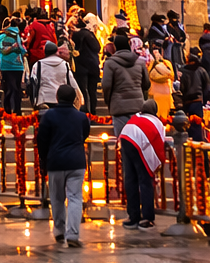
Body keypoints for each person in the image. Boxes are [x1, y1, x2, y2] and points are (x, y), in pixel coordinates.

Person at [35, 84, 90, 248]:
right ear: (74, 99)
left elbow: (42, 139)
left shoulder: (49, 116)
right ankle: (73, 234)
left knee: (57, 197)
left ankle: (59, 230)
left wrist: (43, 159)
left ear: (57, 98)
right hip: (76, 162)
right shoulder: (81, 117)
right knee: (75, 198)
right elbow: (85, 134)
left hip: (56, 161)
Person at [119, 99, 167, 230]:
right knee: (145, 180)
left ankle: (133, 216)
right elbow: (159, 144)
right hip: (138, 144)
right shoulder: (157, 122)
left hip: (126, 139)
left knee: (130, 179)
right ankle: (147, 218)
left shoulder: (136, 117)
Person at [101, 28, 146, 135]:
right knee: (136, 138)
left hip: (119, 106)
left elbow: (106, 85)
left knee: (122, 139)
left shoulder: (110, 63)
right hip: (137, 105)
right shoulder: (140, 62)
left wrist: (108, 101)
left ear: (115, 47)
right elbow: (146, 84)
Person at [32, 41, 78, 109]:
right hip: (61, 98)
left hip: (43, 98)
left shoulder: (38, 64)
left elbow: (33, 81)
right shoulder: (64, 64)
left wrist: (33, 99)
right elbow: (72, 82)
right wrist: (78, 96)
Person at [177, 49, 210, 141]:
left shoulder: (183, 71)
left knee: (187, 124)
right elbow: (207, 86)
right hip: (197, 101)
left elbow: (182, 87)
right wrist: (205, 100)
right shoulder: (201, 70)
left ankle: (188, 141)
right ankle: (197, 144)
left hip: (187, 101)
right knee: (197, 124)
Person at [70, 16, 101, 112]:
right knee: (92, 90)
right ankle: (93, 110)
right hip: (92, 65)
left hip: (80, 65)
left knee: (83, 90)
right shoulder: (90, 35)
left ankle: (85, 110)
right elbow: (97, 48)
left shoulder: (75, 35)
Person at [0, 18, 27, 113]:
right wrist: (14, 47)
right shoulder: (18, 36)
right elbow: (22, 50)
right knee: (16, 89)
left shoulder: (2, 36)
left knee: (9, 89)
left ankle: (8, 111)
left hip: (6, 66)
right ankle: (17, 111)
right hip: (18, 66)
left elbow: (2, 50)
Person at [146, 43, 175, 121]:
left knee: (155, 117)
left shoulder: (151, 64)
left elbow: (148, 77)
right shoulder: (167, 63)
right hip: (166, 93)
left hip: (154, 93)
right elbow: (172, 76)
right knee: (165, 118)